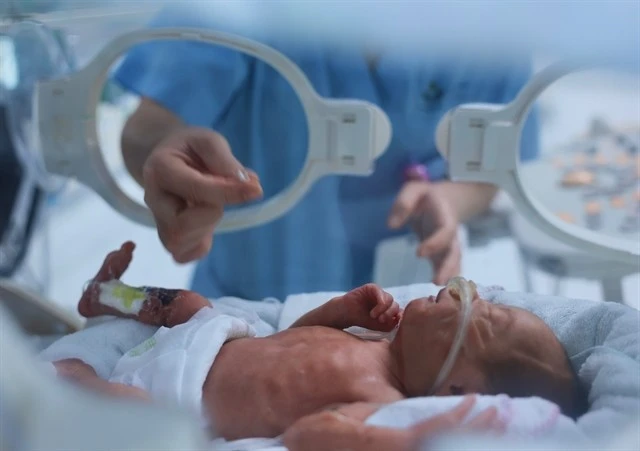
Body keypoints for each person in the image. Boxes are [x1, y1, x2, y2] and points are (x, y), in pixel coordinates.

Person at [114, 4, 539, 302]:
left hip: (408, 313)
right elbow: (147, 130)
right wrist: (169, 162)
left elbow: (495, 163)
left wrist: (452, 198)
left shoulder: (496, 22)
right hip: (249, 310)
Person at [52, 242, 584, 448]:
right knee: (186, 301)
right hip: (223, 340)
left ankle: (81, 387)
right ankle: (106, 295)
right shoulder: (377, 338)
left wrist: (396, 441)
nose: (454, 291)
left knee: (144, 425)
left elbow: (308, 434)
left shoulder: (385, 403)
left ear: (456, 386)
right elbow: (293, 340)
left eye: (474, 315)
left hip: (182, 395)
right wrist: (340, 312)